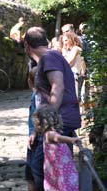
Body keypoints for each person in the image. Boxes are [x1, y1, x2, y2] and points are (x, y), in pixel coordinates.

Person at [24, 27, 81, 191]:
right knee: (52, 173)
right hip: (58, 122)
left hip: (57, 123)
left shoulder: (48, 57)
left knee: (39, 170)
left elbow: (58, 86)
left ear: (27, 45)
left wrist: (47, 121)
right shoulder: (51, 57)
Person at [32, 105, 80, 191]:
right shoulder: (50, 134)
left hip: (59, 167)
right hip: (59, 168)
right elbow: (58, 138)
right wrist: (71, 140)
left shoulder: (49, 133)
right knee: (63, 185)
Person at [25, 66, 38, 191]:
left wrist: (33, 132)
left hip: (34, 138)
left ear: (30, 82)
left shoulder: (35, 96)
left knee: (31, 175)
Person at [62, 32, 83, 99]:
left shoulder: (75, 48)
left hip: (74, 75)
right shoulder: (70, 50)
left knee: (73, 98)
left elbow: (69, 63)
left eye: (66, 40)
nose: (64, 43)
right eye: (63, 41)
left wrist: (64, 53)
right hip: (72, 75)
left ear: (71, 39)